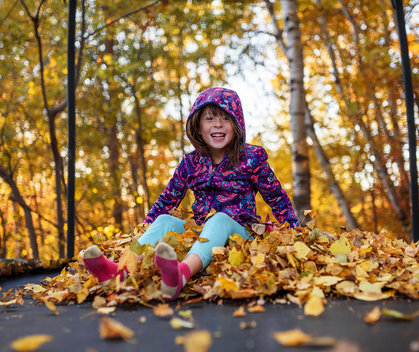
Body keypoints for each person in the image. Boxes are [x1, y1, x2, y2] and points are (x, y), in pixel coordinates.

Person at [81, 87, 299, 300]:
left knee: (220, 219)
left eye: (225, 119)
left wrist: (294, 232)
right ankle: (120, 273)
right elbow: (167, 200)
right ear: (198, 126)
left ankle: (181, 273)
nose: (217, 125)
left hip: (239, 236)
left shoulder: (251, 158)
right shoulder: (190, 163)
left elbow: (277, 197)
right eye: (210, 119)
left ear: (237, 125)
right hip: (201, 235)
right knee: (165, 219)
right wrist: (147, 226)